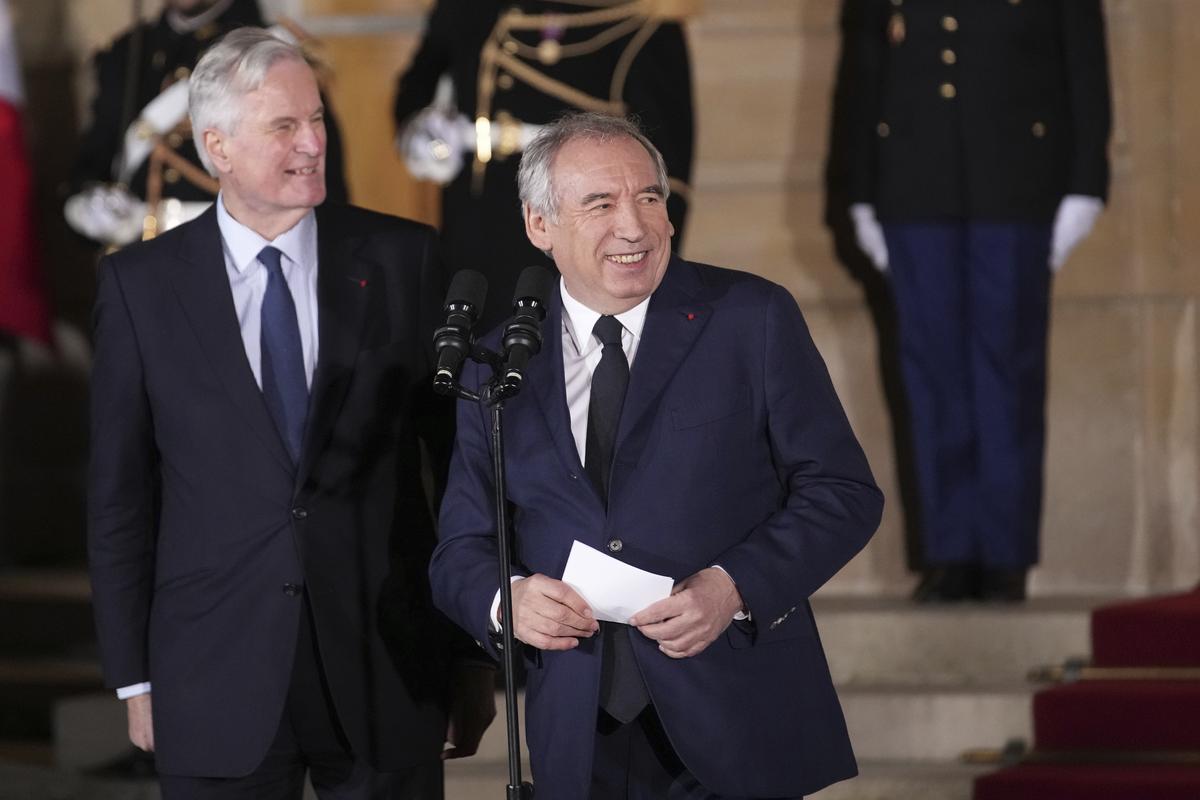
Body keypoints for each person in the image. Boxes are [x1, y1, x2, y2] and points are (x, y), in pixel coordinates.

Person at [87, 28, 494, 799]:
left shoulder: (404, 260)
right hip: (211, 673)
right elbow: (120, 498)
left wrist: (472, 655)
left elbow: (460, 469)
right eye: (285, 126)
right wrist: (133, 679)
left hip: (387, 667)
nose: (313, 143)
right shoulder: (139, 289)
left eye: (316, 121)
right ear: (218, 147)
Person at [429, 113, 883, 799]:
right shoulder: (497, 365)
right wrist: (507, 599)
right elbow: (461, 546)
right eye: (600, 204)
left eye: (648, 198)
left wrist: (733, 586)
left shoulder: (749, 318)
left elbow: (843, 492)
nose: (634, 227)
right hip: (578, 732)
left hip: (734, 715)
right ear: (539, 225)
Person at [840, 0, 1112, 602]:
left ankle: (1005, 554)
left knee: (1006, 371)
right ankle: (950, 551)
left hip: (1016, 187)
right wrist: (857, 190)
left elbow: (1085, 69)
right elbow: (864, 75)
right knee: (929, 374)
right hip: (912, 189)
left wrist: (1087, 182)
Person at [392, 0, 695, 329]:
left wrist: (645, 280)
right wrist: (421, 132)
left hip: (574, 234)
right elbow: (419, 80)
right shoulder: (471, 7)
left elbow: (667, 174)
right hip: (472, 220)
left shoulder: (645, 20)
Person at [69, 0, 348, 244]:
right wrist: (89, 209)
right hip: (148, 265)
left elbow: (323, 193)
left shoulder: (275, 50)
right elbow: (93, 165)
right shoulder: (127, 53)